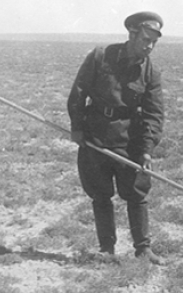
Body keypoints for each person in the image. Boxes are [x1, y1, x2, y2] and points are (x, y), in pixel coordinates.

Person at [67, 12, 165, 265]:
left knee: (137, 194)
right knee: (100, 195)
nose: (149, 46)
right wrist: (77, 128)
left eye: (154, 42)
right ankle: (107, 249)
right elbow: (78, 93)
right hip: (95, 137)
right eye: (145, 39)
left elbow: (154, 114)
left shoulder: (150, 70)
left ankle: (143, 249)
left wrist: (146, 150)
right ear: (131, 35)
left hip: (129, 141)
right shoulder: (101, 56)